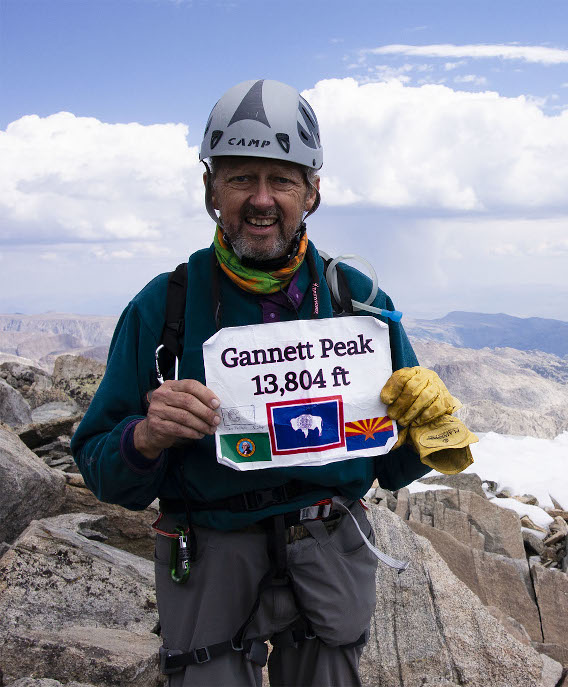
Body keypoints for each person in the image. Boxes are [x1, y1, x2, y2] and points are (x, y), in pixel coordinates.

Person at [71, 79, 476, 687]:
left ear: (312, 192)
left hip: (331, 540)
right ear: (211, 189)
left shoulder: (360, 306)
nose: (261, 199)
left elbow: (387, 467)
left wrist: (429, 432)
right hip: (209, 542)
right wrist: (146, 438)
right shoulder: (164, 308)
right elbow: (102, 469)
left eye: (282, 180)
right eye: (240, 178)